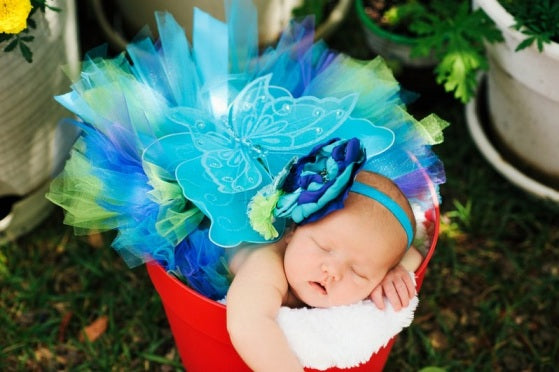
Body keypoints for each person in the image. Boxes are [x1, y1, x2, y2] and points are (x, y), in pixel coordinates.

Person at [226, 170, 424, 372]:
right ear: (293, 231)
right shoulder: (266, 265)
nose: (332, 271)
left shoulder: (333, 256)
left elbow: (414, 256)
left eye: (358, 272)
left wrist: (394, 271)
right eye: (323, 247)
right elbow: (248, 325)